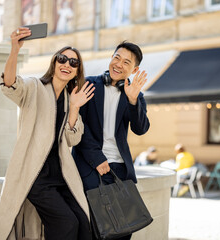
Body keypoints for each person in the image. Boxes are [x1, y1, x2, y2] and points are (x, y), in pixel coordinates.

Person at [0, 27, 95, 240]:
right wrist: (14, 50)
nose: (67, 64)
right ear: (54, 63)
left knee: (83, 222)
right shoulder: (34, 87)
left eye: (73, 63)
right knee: (66, 223)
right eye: (62, 59)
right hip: (35, 175)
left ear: (77, 71)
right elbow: (9, 84)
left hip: (62, 175)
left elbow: (72, 139)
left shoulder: (71, 99)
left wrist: (75, 109)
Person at [71, 41, 149, 240]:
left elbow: (141, 129)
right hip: (90, 167)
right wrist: (97, 158)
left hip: (121, 170)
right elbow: (80, 126)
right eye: (117, 57)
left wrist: (133, 101)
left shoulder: (135, 95)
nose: (119, 64)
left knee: (123, 230)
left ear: (134, 69)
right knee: (93, 231)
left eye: (126, 62)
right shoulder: (88, 85)